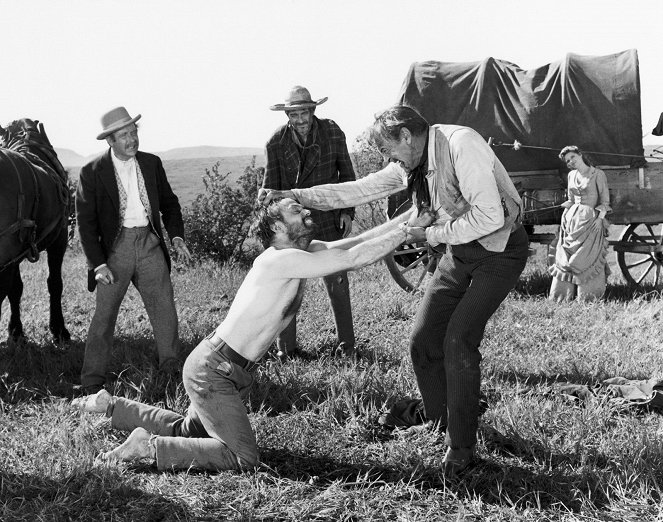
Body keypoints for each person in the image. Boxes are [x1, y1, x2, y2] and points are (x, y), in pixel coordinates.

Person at [259, 105, 530, 477]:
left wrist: (430, 235)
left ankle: (462, 446)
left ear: (406, 136)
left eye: (390, 150)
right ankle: (440, 421)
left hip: (498, 252)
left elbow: (489, 217)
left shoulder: (460, 145)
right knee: (422, 340)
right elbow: (359, 189)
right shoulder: (412, 159)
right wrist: (296, 194)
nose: (390, 160)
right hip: (460, 251)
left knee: (458, 341)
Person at [71, 197, 434, 471]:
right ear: (276, 226)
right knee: (241, 457)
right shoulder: (279, 259)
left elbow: (356, 244)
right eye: (296, 210)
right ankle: (149, 448)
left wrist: (408, 215)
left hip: (223, 368)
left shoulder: (301, 252)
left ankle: (112, 406)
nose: (306, 212)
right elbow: (353, 260)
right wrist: (407, 231)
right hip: (214, 370)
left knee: (190, 430)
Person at [75, 106, 192, 394]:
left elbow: (170, 203)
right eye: (124, 135)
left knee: (164, 309)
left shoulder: (152, 163)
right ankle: (92, 381)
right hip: (116, 251)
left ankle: (171, 370)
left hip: (150, 244)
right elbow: (86, 224)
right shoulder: (91, 172)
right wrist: (98, 264)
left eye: (133, 132)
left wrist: (176, 237)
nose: (132, 140)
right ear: (110, 141)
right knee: (104, 315)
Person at [263, 85, 357, 359]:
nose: (300, 119)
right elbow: (271, 190)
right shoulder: (276, 143)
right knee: (289, 283)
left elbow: (347, 174)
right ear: (287, 115)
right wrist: (277, 226)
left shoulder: (332, 132)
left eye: (304, 112)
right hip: (294, 224)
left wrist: (346, 211)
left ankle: (347, 346)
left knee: (337, 279)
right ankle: (287, 350)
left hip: (328, 216)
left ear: (313, 110)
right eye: (293, 114)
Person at [549, 145, 611, 301]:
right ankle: (563, 295)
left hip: (591, 221)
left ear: (580, 155)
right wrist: (565, 209)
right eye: (567, 161)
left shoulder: (597, 174)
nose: (570, 162)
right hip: (571, 220)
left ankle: (589, 297)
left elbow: (604, 201)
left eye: (572, 157)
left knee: (585, 258)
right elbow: (571, 199)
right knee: (565, 259)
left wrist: (599, 219)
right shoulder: (571, 176)